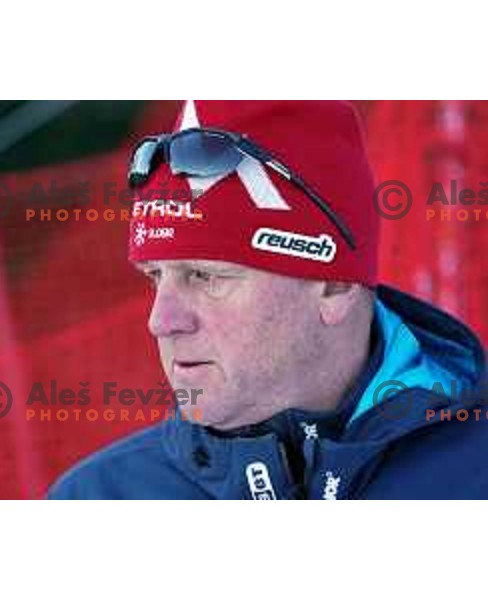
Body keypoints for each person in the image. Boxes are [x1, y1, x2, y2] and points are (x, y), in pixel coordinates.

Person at [48, 100, 488, 499]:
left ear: (333, 285)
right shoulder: (98, 499)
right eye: (155, 277)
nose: (160, 321)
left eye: (206, 276)